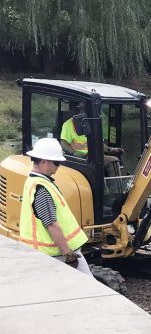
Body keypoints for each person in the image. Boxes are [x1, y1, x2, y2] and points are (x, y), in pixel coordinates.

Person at [18, 137, 94, 277]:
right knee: (89, 290)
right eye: (56, 163)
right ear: (43, 161)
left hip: (49, 253)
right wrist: (68, 254)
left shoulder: (35, 182)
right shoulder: (41, 188)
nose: (58, 167)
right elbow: (51, 224)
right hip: (57, 252)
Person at [60, 103, 124, 174]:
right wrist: (74, 152)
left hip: (93, 156)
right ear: (79, 111)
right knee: (106, 164)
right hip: (78, 159)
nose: (85, 112)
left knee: (113, 160)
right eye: (83, 110)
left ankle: (106, 184)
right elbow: (63, 143)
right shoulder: (69, 124)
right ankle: (104, 184)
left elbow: (98, 143)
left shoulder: (94, 123)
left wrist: (110, 149)